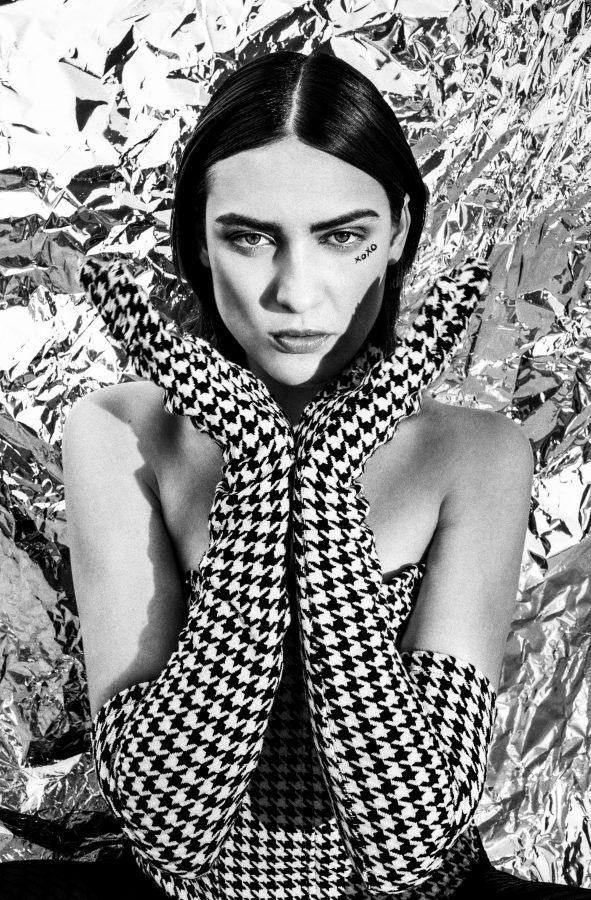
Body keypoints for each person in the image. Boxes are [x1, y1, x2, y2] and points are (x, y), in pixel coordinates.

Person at [2, 49, 588, 900]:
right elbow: (169, 828)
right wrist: (260, 463)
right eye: (249, 237)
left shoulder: (478, 453)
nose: (295, 292)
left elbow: (409, 841)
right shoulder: (120, 431)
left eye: (342, 236)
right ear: (197, 242)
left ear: (397, 234)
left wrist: (319, 477)